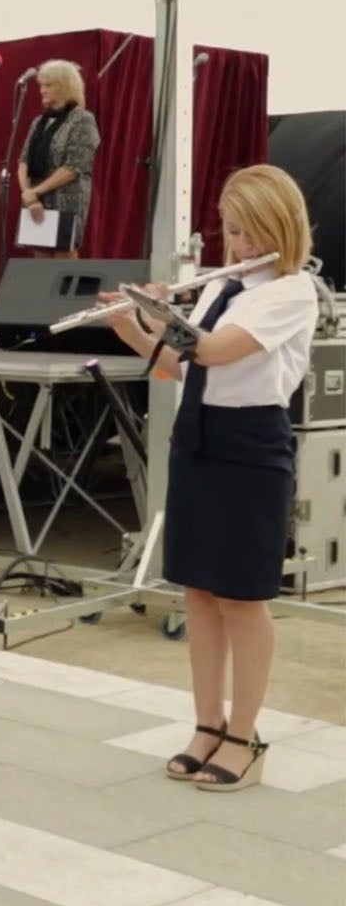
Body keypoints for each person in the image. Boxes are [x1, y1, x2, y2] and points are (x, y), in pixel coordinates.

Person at [102, 165, 316, 793]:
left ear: (280, 228)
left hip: (250, 446)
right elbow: (179, 366)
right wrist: (129, 324)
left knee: (242, 598)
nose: (240, 244)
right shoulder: (227, 290)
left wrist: (162, 310)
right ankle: (206, 724)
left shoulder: (289, 290)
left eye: (251, 232)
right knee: (198, 591)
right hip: (198, 439)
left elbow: (218, 351)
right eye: (232, 230)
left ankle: (245, 735)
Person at [18, 59, 101, 259]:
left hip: (66, 199)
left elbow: (73, 167)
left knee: (63, 260)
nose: (42, 91)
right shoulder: (39, 122)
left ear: (65, 87)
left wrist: (35, 192)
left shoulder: (82, 120)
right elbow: (23, 161)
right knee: (40, 262)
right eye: (41, 86)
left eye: (48, 85)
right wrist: (29, 196)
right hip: (35, 200)